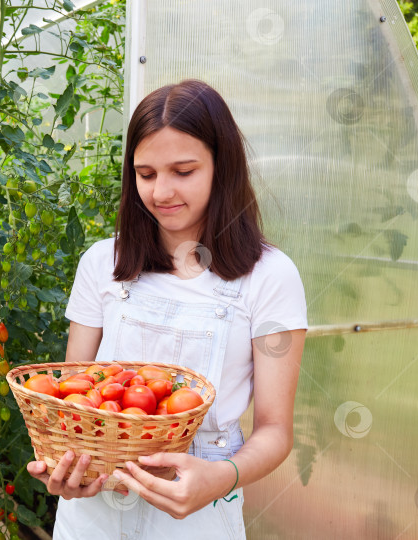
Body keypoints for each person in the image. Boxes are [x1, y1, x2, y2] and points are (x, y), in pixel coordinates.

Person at [26, 79, 308, 539]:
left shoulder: (269, 277)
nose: (161, 192)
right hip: (95, 513)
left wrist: (222, 478)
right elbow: (74, 401)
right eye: (146, 173)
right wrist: (67, 471)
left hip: (197, 512)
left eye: (183, 170)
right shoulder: (104, 263)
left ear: (223, 166)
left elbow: (275, 431)